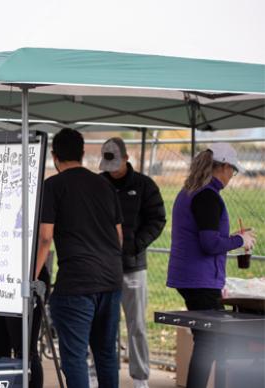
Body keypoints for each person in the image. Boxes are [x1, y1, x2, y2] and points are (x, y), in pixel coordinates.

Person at [36, 128, 124, 388]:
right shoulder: (105, 185)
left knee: (74, 356)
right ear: (83, 153)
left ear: (54, 156)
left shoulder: (52, 186)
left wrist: (31, 278)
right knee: (106, 353)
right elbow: (119, 235)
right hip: (111, 279)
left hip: (77, 283)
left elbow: (45, 237)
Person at [167, 143, 256, 388]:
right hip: (199, 278)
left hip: (190, 276)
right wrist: (240, 240)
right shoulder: (208, 195)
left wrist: (230, 239)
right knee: (209, 342)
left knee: (209, 340)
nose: (232, 177)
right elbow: (208, 242)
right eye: (232, 171)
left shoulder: (191, 191)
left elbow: (206, 235)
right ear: (224, 167)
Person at [99, 138, 166, 388]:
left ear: (127, 158)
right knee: (104, 325)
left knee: (136, 325)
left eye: (117, 163)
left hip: (134, 267)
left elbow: (158, 219)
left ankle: (140, 377)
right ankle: (101, 373)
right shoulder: (99, 183)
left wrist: (136, 244)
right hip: (104, 268)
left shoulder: (145, 185)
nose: (112, 170)